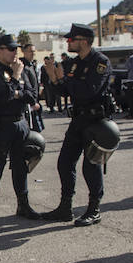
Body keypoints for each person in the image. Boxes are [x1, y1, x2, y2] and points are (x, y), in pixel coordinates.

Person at [41, 24, 111, 227]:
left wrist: (62, 79)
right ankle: (65, 207)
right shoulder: (73, 63)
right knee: (64, 162)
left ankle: (94, 208)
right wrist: (54, 80)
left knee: (91, 166)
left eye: (72, 40)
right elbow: (66, 91)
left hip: (95, 122)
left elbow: (89, 90)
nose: (68, 42)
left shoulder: (100, 62)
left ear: (84, 40)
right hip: (78, 120)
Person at [0, 34, 42, 225]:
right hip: (1, 125)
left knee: (20, 166)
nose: (15, 52)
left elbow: (32, 96)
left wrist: (16, 91)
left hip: (20, 123)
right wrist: (15, 81)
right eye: (11, 48)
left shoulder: (21, 68)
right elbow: (2, 94)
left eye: (16, 48)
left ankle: (23, 205)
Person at [20, 43, 44, 132]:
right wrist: (33, 102)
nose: (33, 53)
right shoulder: (22, 66)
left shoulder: (31, 65)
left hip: (35, 102)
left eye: (34, 51)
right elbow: (26, 86)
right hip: (29, 104)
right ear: (24, 52)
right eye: (30, 51)